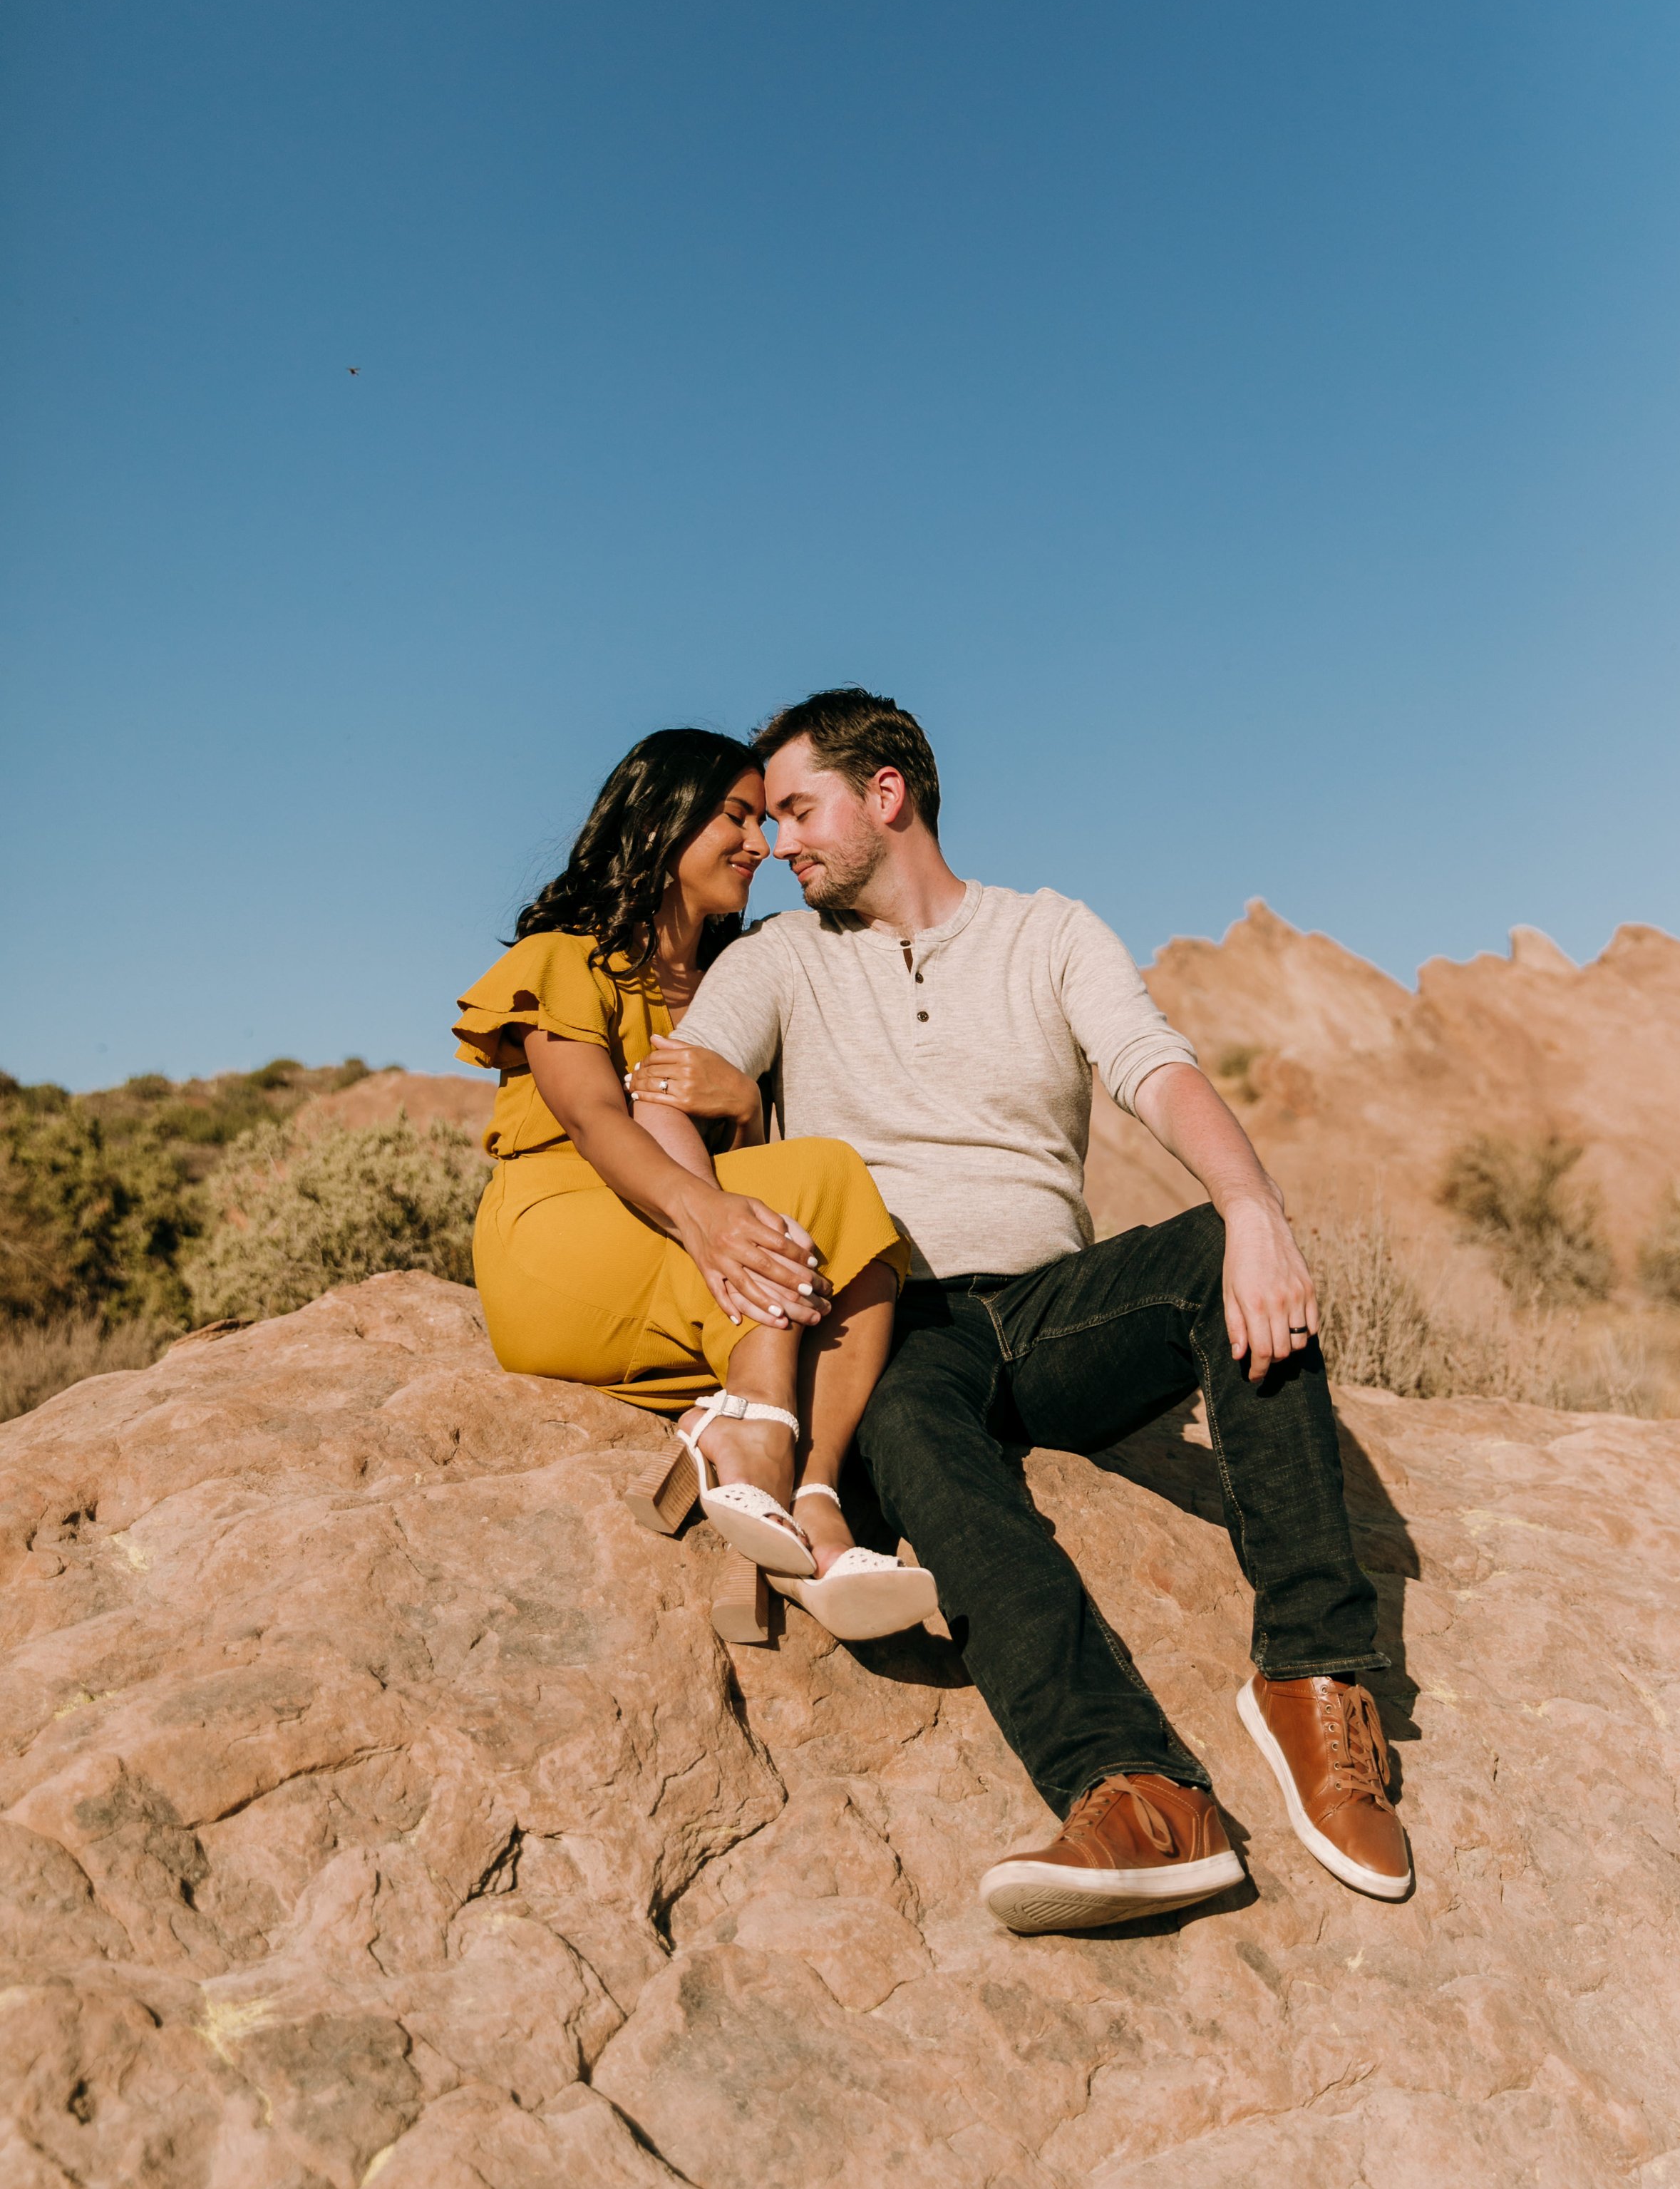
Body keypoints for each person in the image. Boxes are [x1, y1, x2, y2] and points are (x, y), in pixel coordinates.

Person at [638, 688, 1412, 1934]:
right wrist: (713, 1218)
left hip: (1055, 1306)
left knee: (1221, 1251)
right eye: (767, 820)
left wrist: (1255, 1208)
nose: (776, 842)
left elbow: (1157, 1072)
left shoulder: (1047, 933)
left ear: (886, 794)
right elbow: (666, 1090)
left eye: (797, 808)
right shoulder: (779, 959)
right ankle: (1144, 1793)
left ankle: (1313, 1678)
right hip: (891, 1316)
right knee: (917, 1446)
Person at [453, 726, 937, 1642]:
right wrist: (706, 1216)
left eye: (766, 820)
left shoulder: (735, 984)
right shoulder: (568, 957)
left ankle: (812, 1507)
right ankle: (754, 1435)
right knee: (824, 1178)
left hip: (686, 1253)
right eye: (736, 816)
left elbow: (766, 1161)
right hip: (563, 1239)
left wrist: (744, 1110)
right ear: (661, 820)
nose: (761, 844)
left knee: (848, 1212)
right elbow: (596, 1120)